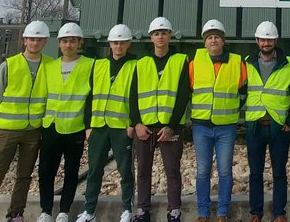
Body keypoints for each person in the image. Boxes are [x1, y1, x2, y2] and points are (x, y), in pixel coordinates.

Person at [0, 20, 53, 222]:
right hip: (8, 129)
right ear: (25, 40)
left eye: (39, 39)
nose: (35, 43)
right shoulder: (10, 64)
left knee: (24, 176)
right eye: (32, 39)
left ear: (45, 42)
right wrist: (7, 115)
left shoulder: (50, 65)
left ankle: (16, 214)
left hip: (33, 129)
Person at [130, 17, 192, 222]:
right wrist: (137, 123)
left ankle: (174, 210)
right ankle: (143, 210)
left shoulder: (180, 60)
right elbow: (133, 96)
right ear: (151, 38)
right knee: (143, 171)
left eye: (164, 33)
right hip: (145, 128)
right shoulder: (141, 64)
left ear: (170, 35)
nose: (160, 36)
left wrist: (172, 126)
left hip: (170, 128)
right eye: (156, 33)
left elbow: (183, 95)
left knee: (172, 171)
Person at [76, 24, 138, 222]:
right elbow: (90, 96)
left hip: (121, 127)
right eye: (115, 42)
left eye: (122, 42)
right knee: (94, 170)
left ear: (128, 44)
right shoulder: (98, 65)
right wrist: (88, 125)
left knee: (125, 170)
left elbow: (136, 97)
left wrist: (132, 123)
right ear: (109, 44)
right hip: (99, 127)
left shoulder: (135, 66)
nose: (118, 46)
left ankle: (127, 209)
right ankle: (89, 211)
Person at [243, 21, 290, 222]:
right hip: (255, 128)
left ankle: (279, 213)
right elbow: (240, 91)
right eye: (262, 39)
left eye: (269, 39)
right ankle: (256, 212)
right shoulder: (247, 63)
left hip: (278, 127)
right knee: (255, 173)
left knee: (279, 173)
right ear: (257, 41)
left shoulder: (289, 63)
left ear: (275, 40)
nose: (266, 43)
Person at [189, 19, 247, 222]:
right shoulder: (195, 63)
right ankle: (203, 213)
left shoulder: (237, 62)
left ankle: (223, 212)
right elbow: (189, 91)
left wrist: (229, 109)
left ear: (223, 41)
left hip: (226, 127)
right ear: (204, 42)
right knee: (203, 171)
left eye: (217, 37)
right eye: (209, 37)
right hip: (201, 127)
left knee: (224, 171)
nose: (213, 40)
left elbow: (243, 92)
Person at [38, 22, 95, 222]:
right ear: (59, 43)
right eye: (64, 41)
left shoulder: (90, 65)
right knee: (46, 171)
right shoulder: (49, 66)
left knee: (71, 171)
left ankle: (63, 211)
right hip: (51, 127)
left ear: (80, 42)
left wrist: (89, 125)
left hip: (74, 127)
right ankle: (45, 211)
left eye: (72, 40)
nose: (68, 45)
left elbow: (91, 98)